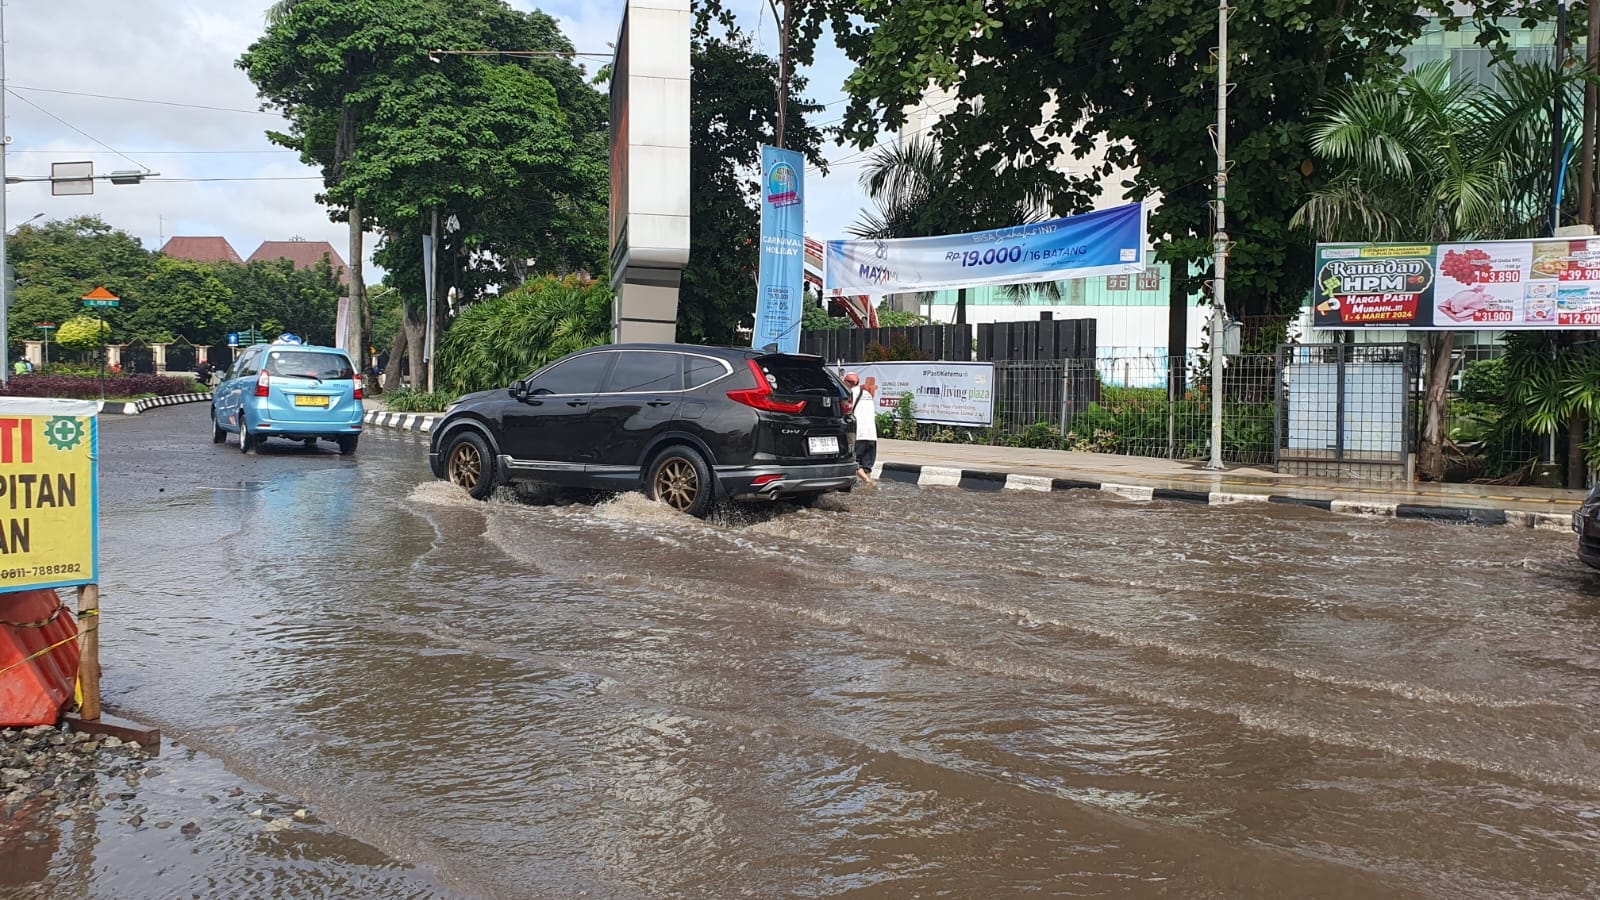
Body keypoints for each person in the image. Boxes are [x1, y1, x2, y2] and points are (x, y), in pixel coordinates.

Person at [844, 372, 877, 485]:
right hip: (872, 435)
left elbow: (845, 411)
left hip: (859, 434)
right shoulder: (867, 394)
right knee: (867, 467)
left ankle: (868, 482)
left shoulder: (849, 394)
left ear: (847, 383)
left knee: (853, 462)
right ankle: (867, 488)